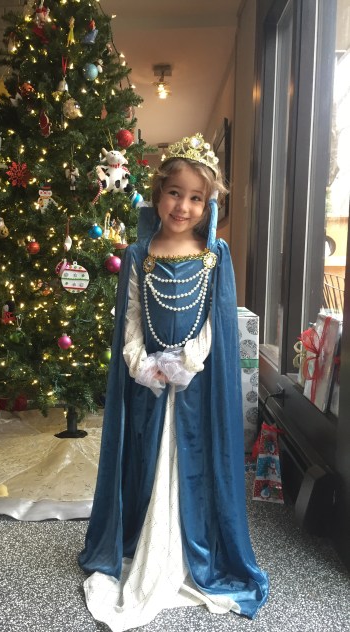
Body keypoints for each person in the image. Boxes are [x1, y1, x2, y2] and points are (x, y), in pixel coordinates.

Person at [78, 133, 269, 631]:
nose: (183, 207)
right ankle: (143, 535)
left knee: (191, 462)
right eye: (174, 193)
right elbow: (130, 317)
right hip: (149, 385)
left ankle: (190, 543)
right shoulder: (140, 254)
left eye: (196, 198)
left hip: (194, 386)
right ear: (158, 193)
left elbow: (215, 323)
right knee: (145, 457)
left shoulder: (213, 255)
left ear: (208, 205)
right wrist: (142, 363)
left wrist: (185, 363)